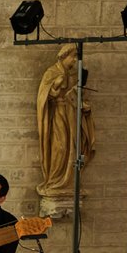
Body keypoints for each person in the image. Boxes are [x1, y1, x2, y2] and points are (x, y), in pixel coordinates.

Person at [36, 43, 95, 197]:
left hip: (71, 114)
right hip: (57, 114)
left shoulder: (73, 75)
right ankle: (54, 181)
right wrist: (55, 86)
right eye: (73, 56)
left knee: (73, 147)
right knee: (60, 147)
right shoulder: (52, 72)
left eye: (76, 57)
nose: (75, 60)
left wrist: (83, 105)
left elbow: (76, 95)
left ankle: (68, 182)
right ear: (64, 56)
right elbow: (44, 97)